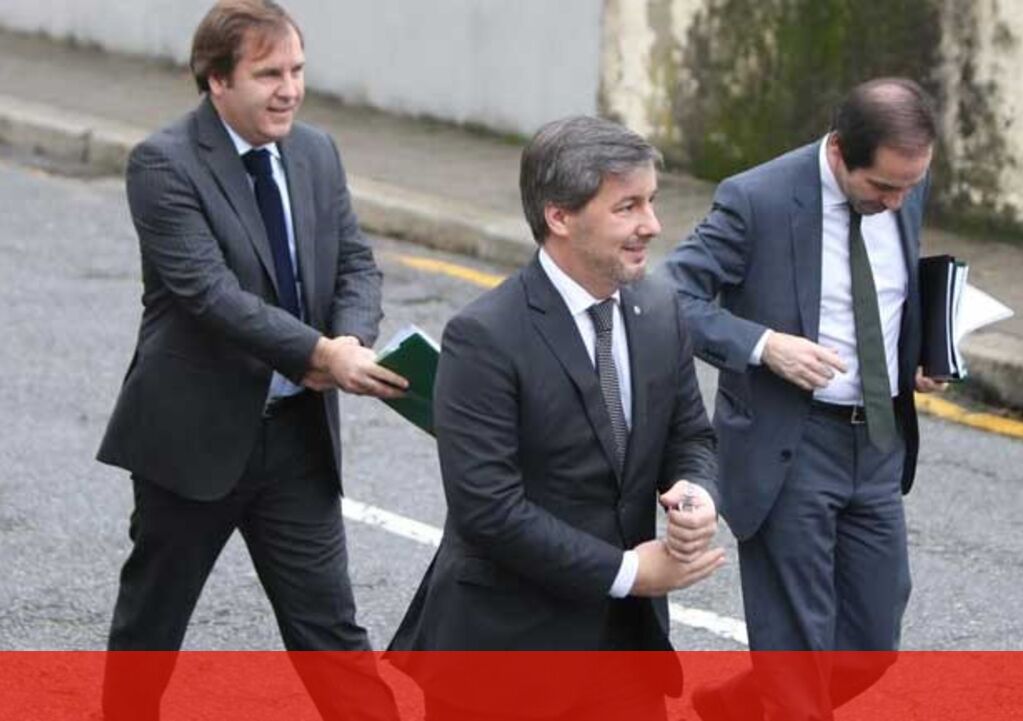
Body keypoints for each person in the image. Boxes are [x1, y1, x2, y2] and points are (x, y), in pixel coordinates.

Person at [96, 2, 407, 719]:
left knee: (332, 632)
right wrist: (318, 352)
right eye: (269, 74)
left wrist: (351, 340)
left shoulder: (317, 152)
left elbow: (355, 263)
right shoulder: (163, 164)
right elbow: (209, 294)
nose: (289, 90)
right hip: (193, 438)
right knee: (151, 627)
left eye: (297, 70)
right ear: (217, 80)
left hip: (295, 439)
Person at [387, 115, 725, 721]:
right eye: (627, 207)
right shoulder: (485, 336)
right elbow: (488, 508)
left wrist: (696, 491)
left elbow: (690, 435)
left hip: (623, 651)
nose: (652, 224)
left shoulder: (660, 307)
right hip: (505, 651)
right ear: (560, 217)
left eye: (651, 201)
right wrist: (629, 571)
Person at [664, 77, 947, 720]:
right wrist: (765, 345)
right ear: (840, 151)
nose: (898, 201)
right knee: (797, 656)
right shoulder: (756, 198)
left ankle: (735, 707)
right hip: (789, 445)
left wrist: (917, 354)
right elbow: (672, 296)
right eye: (883, 187)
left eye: (910, 187)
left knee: (869, 648)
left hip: (878, 439)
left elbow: (888, 293)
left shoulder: (903, 183)